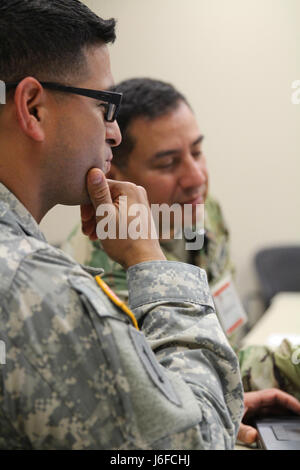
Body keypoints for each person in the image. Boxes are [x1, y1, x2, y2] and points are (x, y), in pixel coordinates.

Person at [0, 0, 246, 450]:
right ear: (32, 108)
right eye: (104, 106)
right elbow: (195, 445)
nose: (111, 133)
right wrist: (148, 257)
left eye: (197, 151)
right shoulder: (37, 287)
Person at [64, 77, 300, 446]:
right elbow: (177, 395)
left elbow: (224, 343)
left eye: (197, 151)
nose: (196, 177)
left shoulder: (201, 217)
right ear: (113, 175)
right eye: (169, 162)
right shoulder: (99, 277)